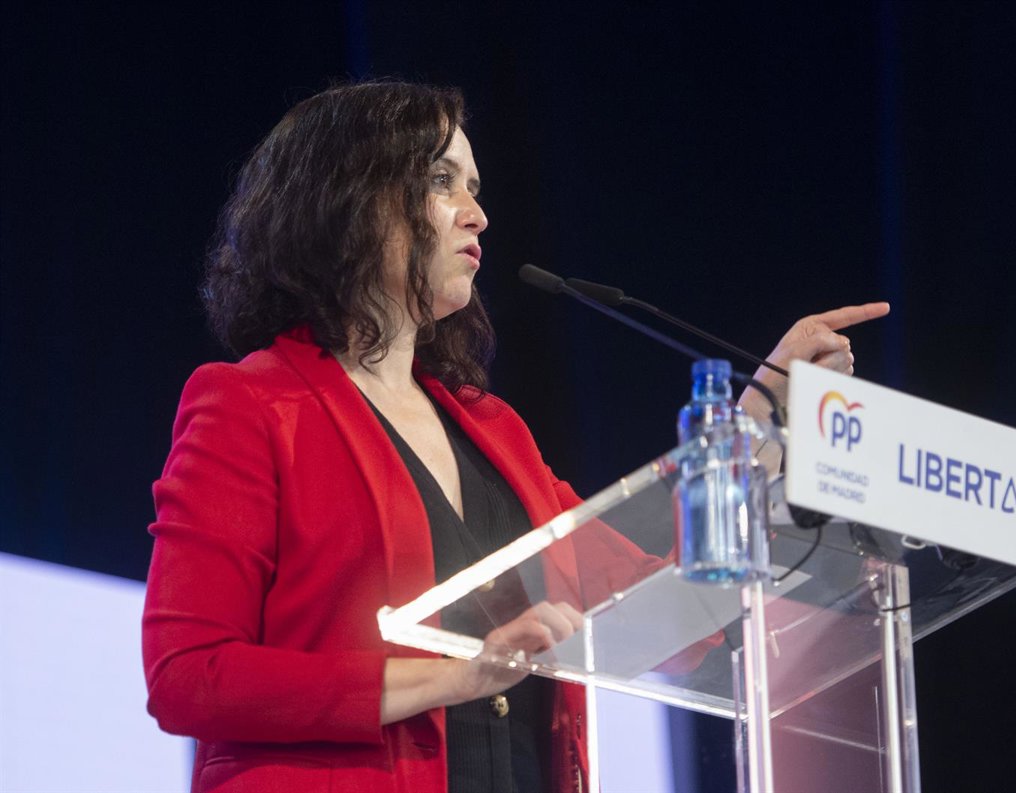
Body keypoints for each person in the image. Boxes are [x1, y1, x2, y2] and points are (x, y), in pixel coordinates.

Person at [141, 80, 888, 793]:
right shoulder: (252, 405)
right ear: (351, 198)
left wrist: (760, 416)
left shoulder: (497, 433)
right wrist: (454, 676)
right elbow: (188, 676)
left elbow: (669, 618)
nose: (477, 216)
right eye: (442, 181)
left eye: (475, 188)